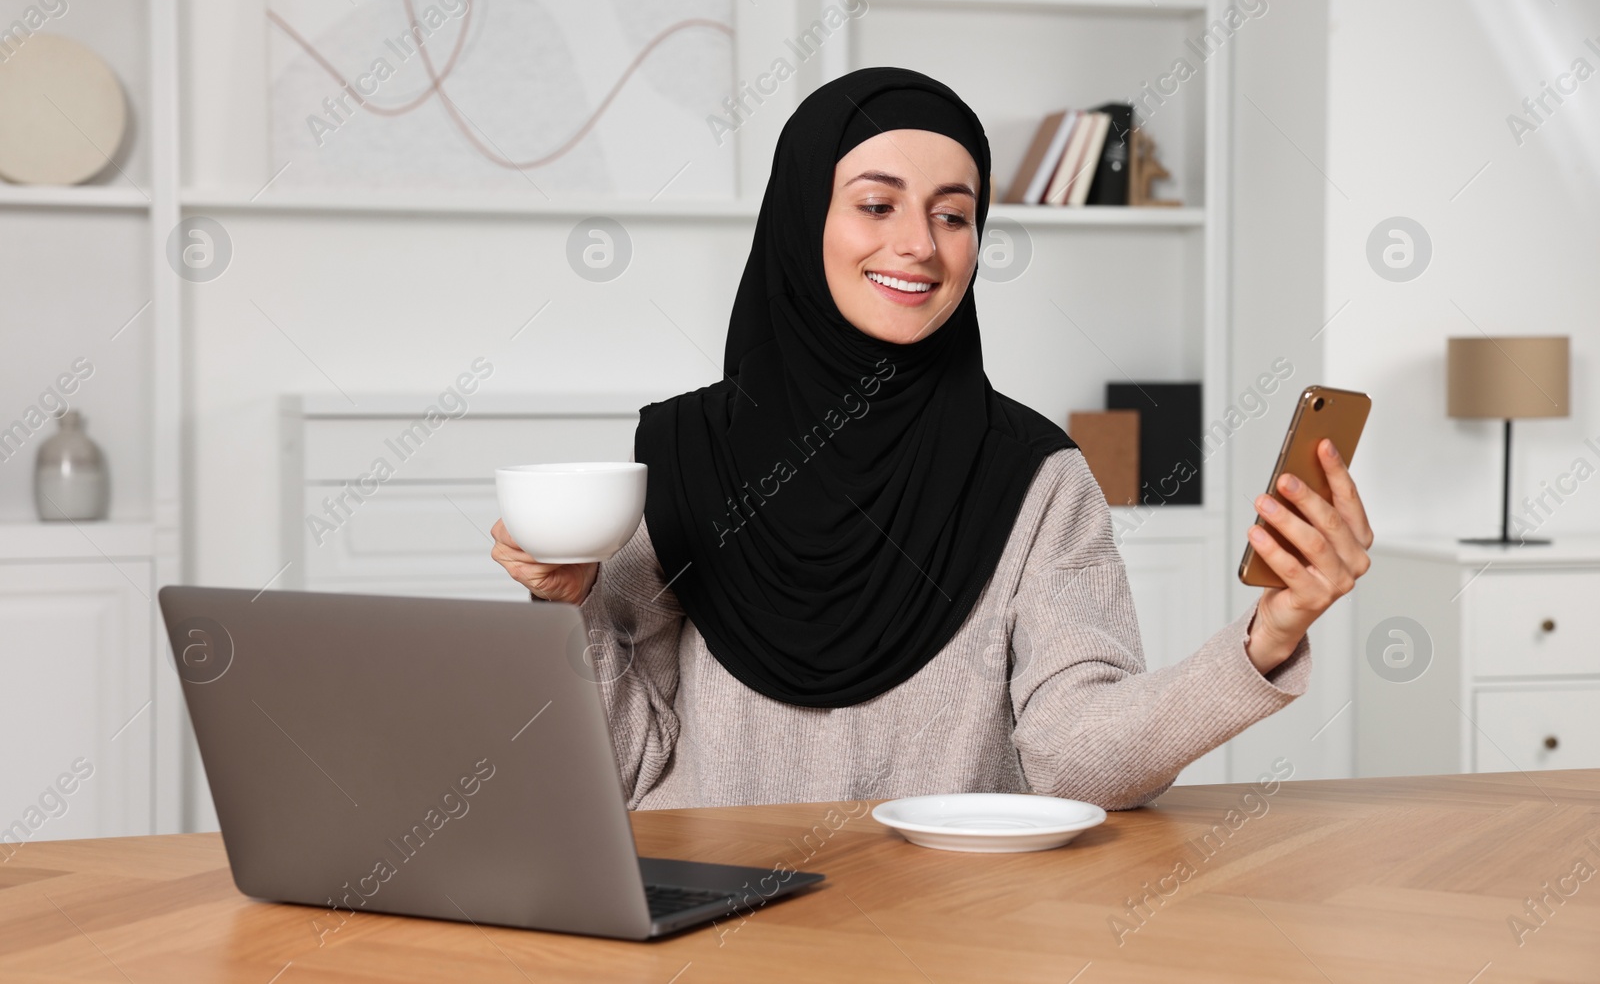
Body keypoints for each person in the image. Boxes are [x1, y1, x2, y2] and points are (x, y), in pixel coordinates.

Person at [490, 66, 1373, 811]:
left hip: (950, 930)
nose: (919, 244)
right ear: (804, 220)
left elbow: (1076, 758)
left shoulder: (1036, 478)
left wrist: (1265, 636)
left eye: (954, 215)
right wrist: (571, 602)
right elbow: (625, 767)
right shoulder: (684, 453)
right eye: (877, 204)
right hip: (715, 923)